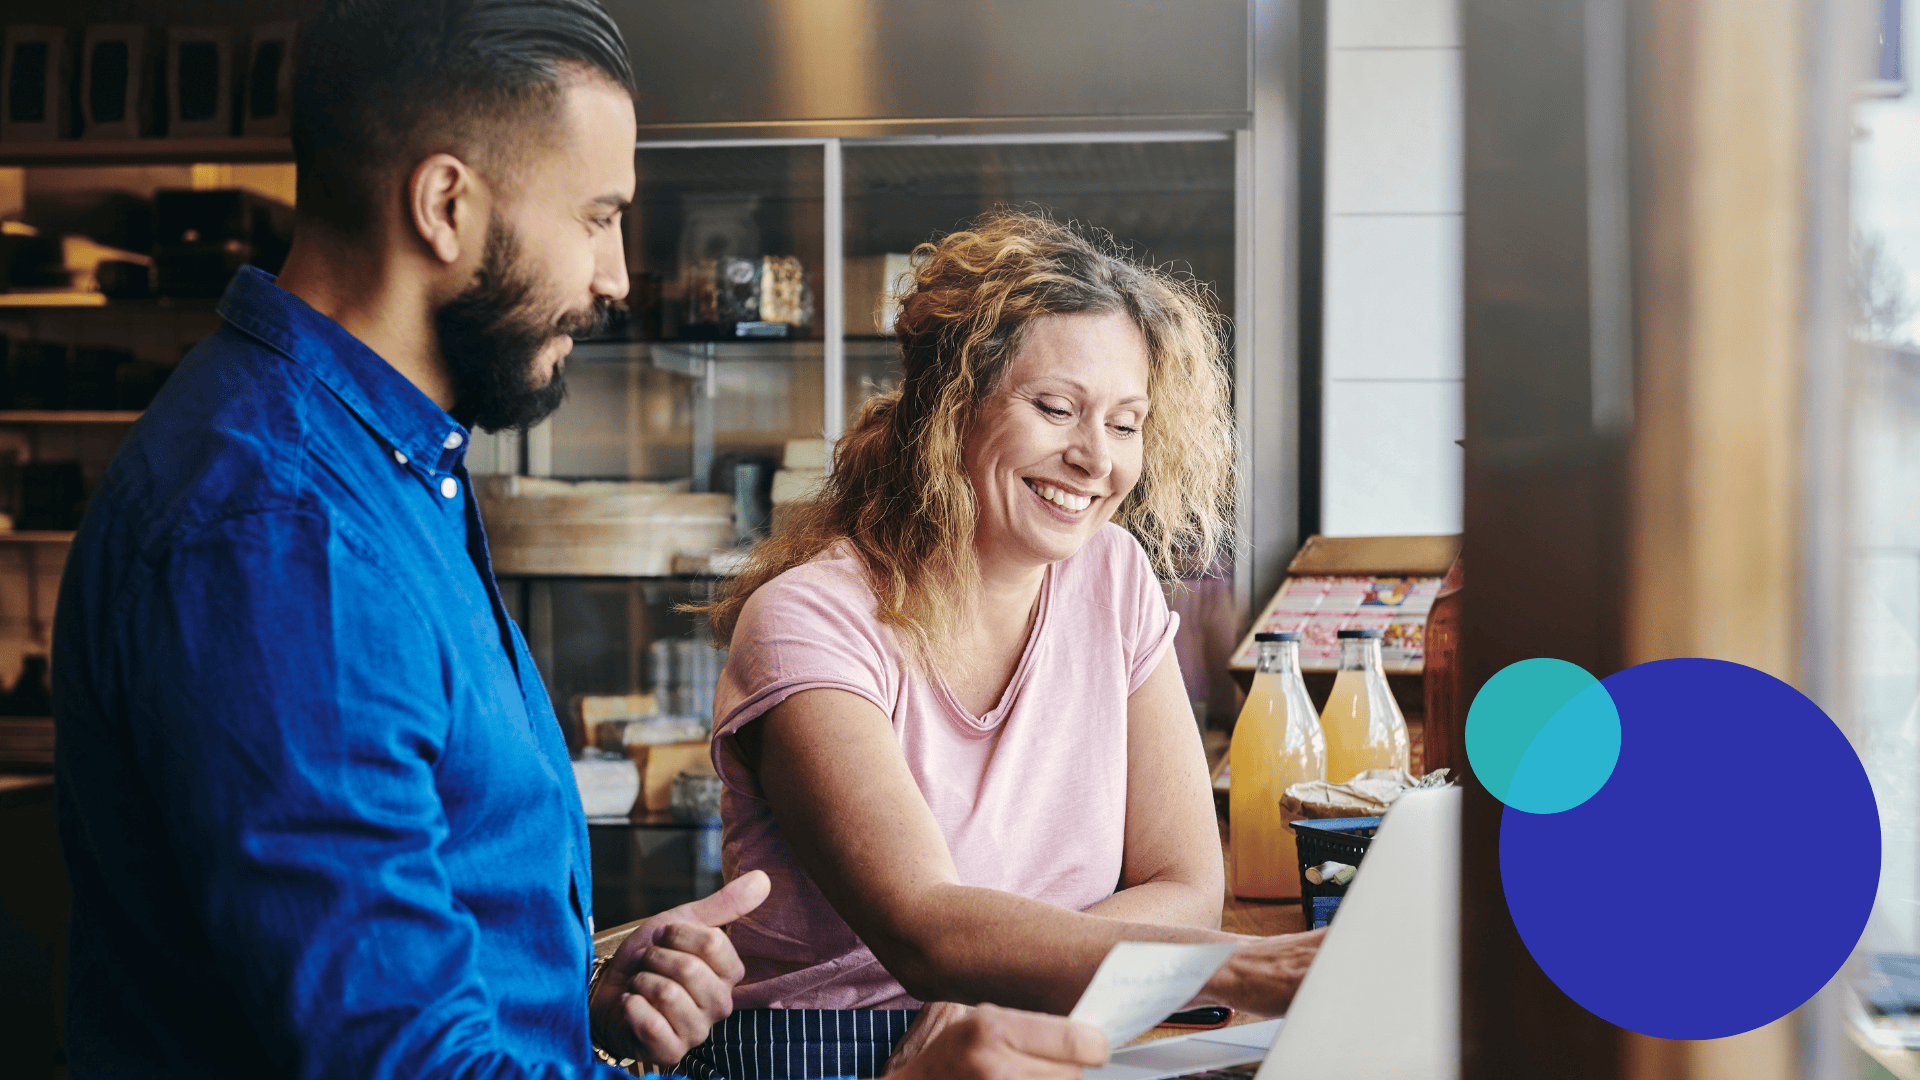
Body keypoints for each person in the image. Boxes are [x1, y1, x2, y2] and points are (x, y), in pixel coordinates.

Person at [49, 3, 1104, 1077]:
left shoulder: (381, 466)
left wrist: (574, 984)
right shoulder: (285, 539)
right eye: (598, 217)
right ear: (445, 206)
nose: (617, 277)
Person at [682, 212, 1327, 1080]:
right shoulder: (811, 619)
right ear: (952, 411)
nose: (1096, 458)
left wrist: (1000, 982)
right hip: (825, 1053)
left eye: (1127, 422)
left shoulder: (1113, 575)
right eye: (1057, 409)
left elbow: (1186, 882)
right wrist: (1240, 968)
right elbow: (924, 929)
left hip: (1056, 1026)